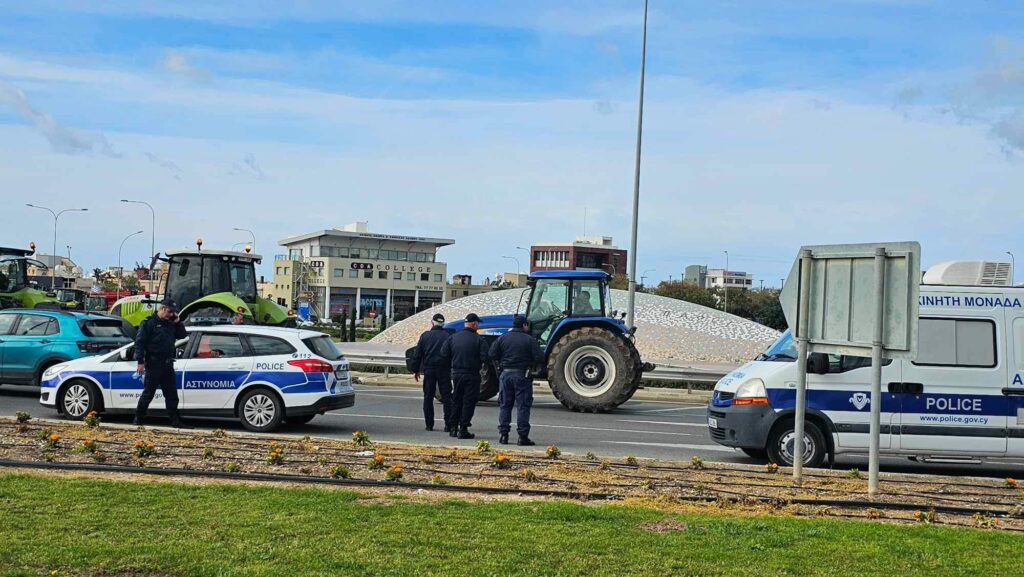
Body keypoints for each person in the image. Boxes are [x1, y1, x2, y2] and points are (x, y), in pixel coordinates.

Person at [489, 315, 544, 445]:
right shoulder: (529, 340)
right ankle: (522, 437)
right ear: (524, 325)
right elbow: (539, 357)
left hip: (506, 374)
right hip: (522, 375)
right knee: (522, 406)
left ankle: (504, 435)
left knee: (505, 405)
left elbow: (491, 354)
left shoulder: (502, 338)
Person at [134, 298, 188, 428]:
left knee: (171, 395)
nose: (171, 314)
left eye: (173, 312)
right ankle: (138, 419)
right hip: (153, 363)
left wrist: (178, 322)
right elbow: (139, 343)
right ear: (162, 309)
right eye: (170, 312)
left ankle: (176, 422)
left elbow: (182, 335)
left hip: (168, 364)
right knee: (148, 393)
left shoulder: (171, 323)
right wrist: (140, 362)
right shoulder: (148, 323)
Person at [440, 312, 489, 439]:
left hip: (456, 374)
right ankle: (463, 428)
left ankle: (453, 427)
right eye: (477, 324)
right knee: (469, 401)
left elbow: (443, 353)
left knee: (457, 400)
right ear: (474, 324)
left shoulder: (453, 337)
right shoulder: (479, 340)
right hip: (472, 374)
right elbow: (485, 358)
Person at [411, 313, 454, 432]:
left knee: (428, 397)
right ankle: (448, 424)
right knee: (447, 397)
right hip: (444, 369)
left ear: (432, 322)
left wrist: (416, 369)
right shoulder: (448, 336)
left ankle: (429, 424)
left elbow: (417, 354)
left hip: (429, 369)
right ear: (443, 324)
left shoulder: (425, 336)